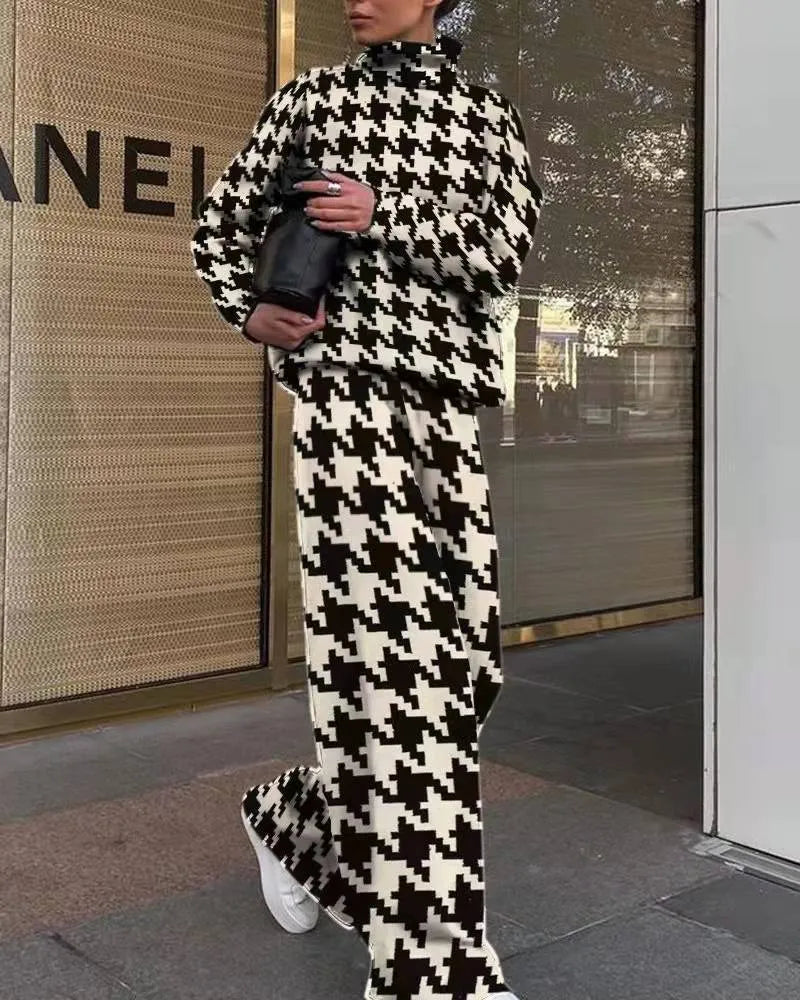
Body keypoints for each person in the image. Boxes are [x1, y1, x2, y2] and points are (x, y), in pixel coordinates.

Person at [190, 2, 543, 998]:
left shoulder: (485, 113)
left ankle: (300, 817)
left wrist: (387, 215)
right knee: (398, 680)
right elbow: (220, 226)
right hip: (345, 403)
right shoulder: (310, 100)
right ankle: (433, 965)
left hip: (445, 407)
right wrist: (247, 309)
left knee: (466, 670)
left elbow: (502, 253)